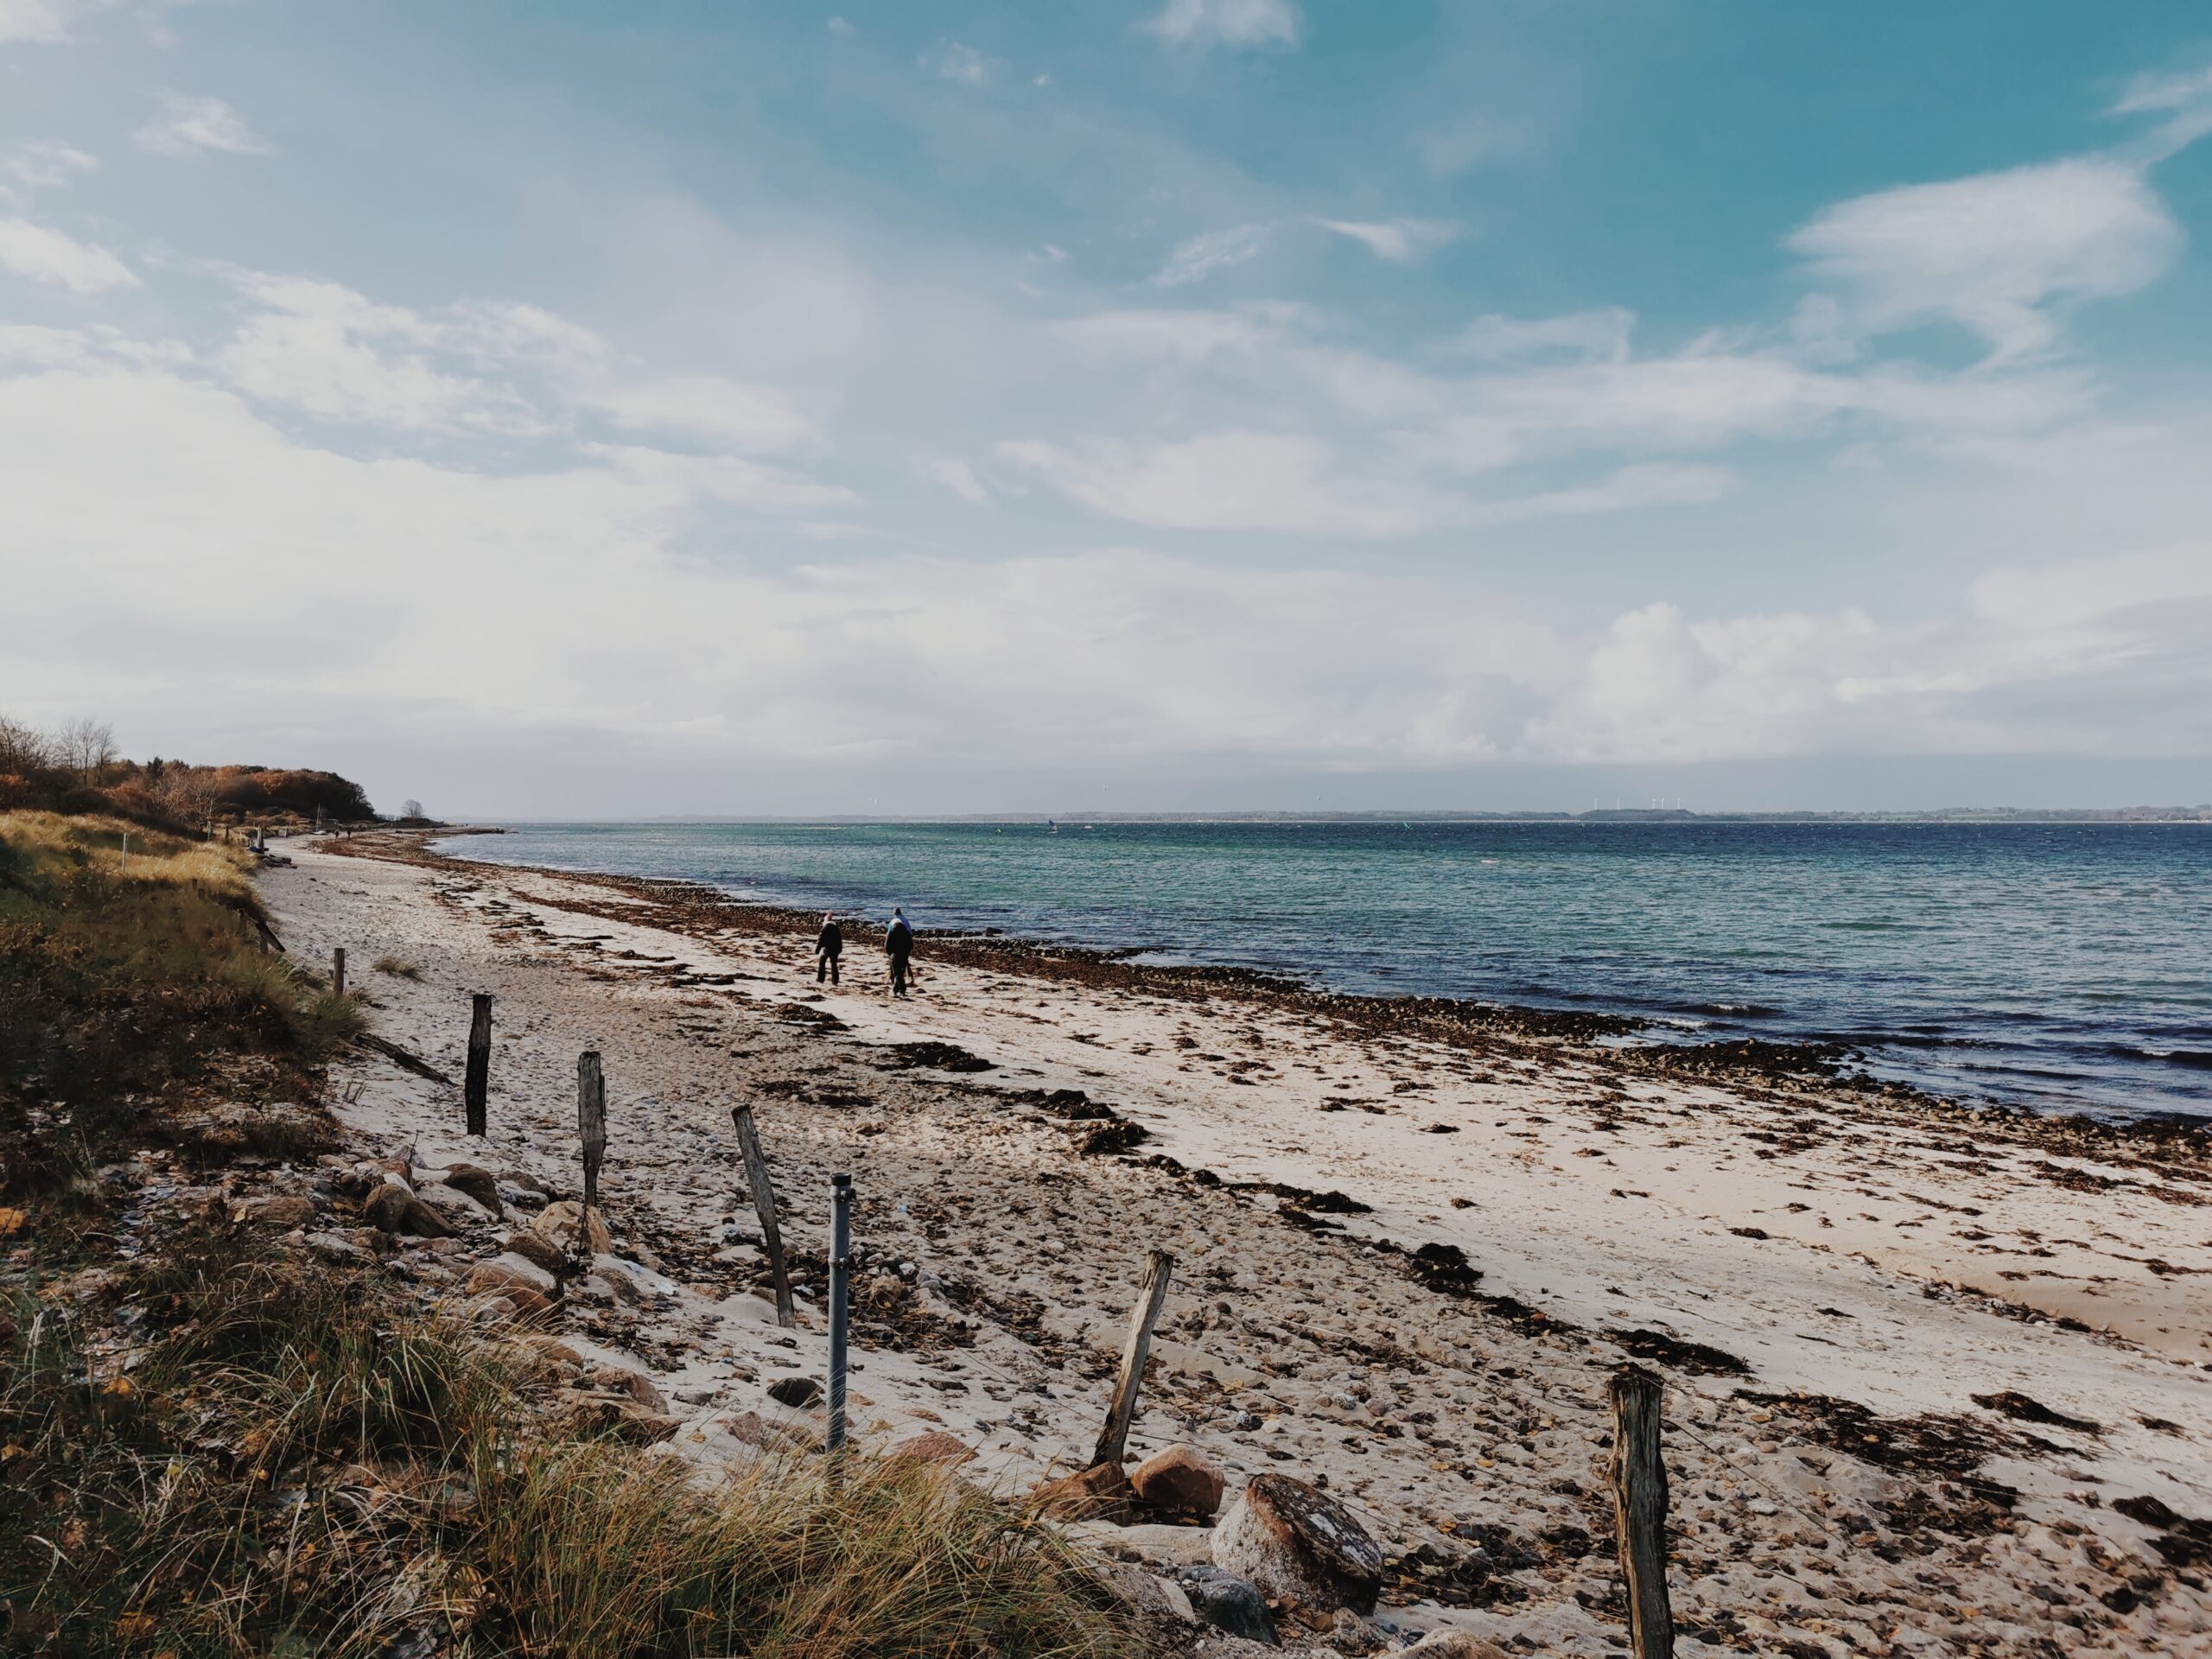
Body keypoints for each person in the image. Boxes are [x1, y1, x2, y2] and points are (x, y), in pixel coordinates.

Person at [885, 906, 913, 997]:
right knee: (900, 972)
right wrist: (908, 952)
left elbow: (887, 945)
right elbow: (911, 943)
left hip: (894, 954)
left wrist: (890, 953)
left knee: (897, 973)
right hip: (904, 954)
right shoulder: (906, 928)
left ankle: (902, 989)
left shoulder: (892, 928)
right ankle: (895, 989)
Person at [814, 912, 842, 984]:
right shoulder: (836, 929)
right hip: (835, 949)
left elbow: (820, 940)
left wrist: (817, 950)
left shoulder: (824, 928)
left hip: (825, 949)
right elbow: (839, 939)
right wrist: (840, 949)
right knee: (834, 965)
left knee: (822, 964)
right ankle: (835, 981)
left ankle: (821, 979)